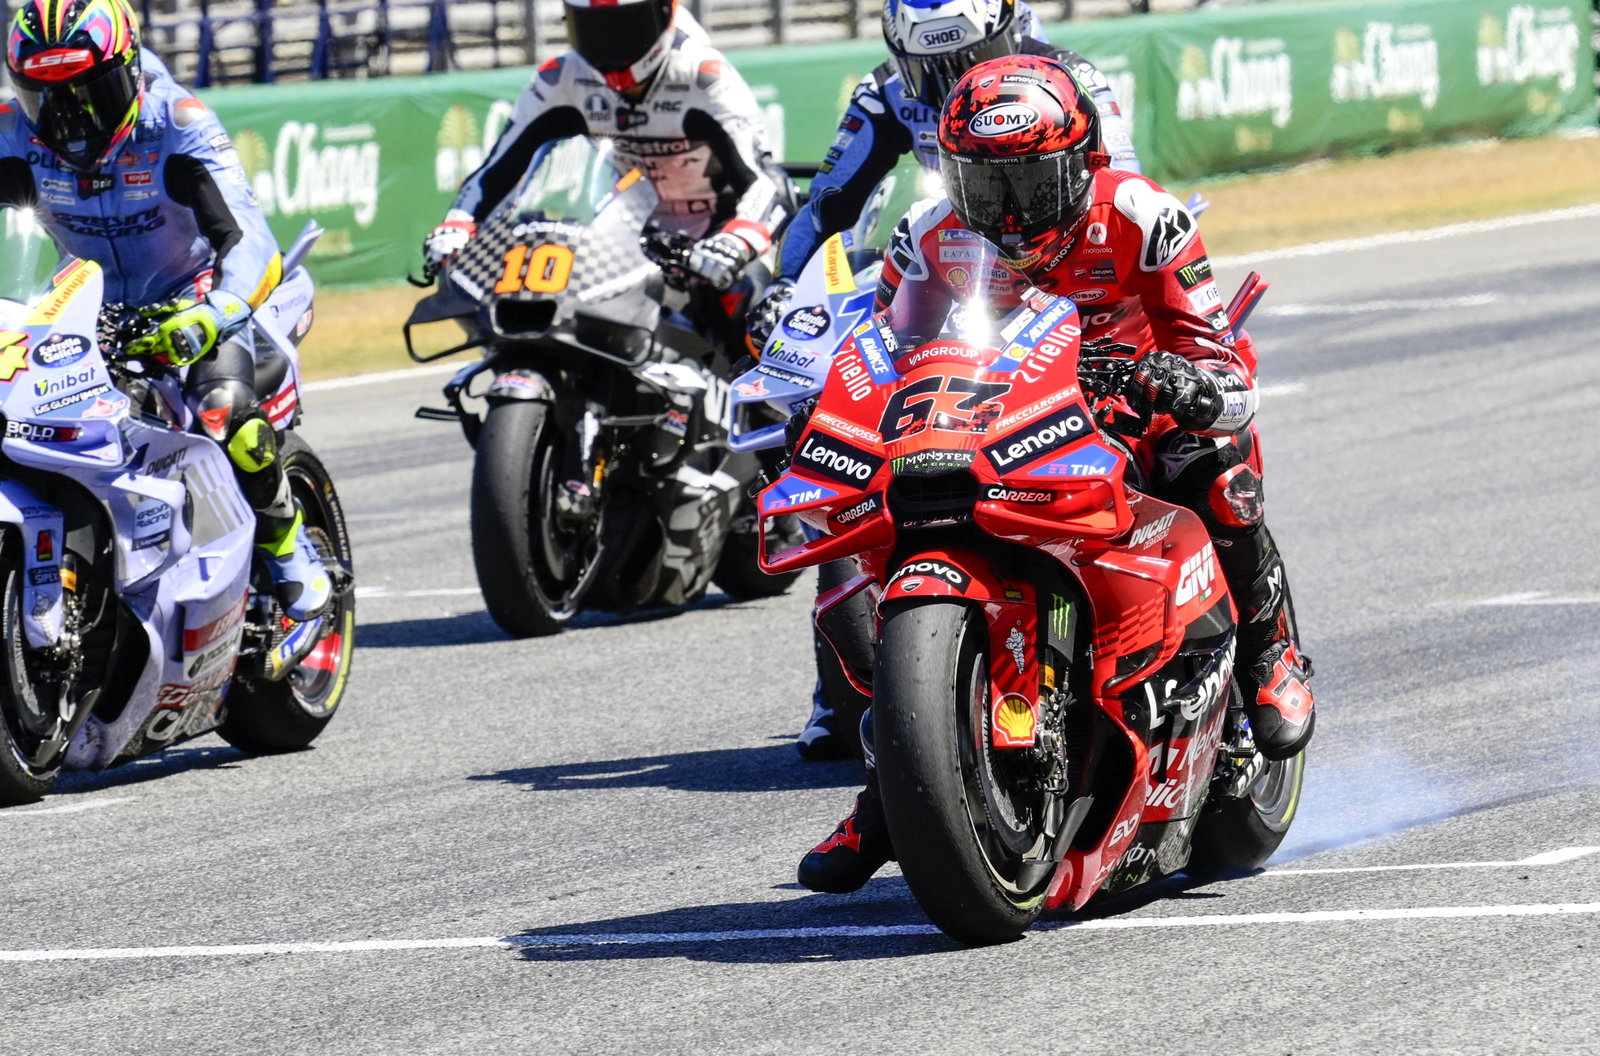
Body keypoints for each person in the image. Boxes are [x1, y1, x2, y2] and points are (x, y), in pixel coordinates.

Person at [798, 54, 1314, 894]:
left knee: (1214, 472)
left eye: (1028, 182)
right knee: (879, 527)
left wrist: (1178, 382)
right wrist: (824, 392)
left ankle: (1270, 656)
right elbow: (880, 342)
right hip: (990, 420)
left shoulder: (1144, 217)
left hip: (1132, 413)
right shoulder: (930, 234)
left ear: (1081, 160)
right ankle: (895, 784)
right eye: (982, 183)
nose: (1004, 209)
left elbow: (1225, 370)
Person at [751, 0, 1141, 762]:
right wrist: (784, 289)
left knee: (1139, 433)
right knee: (840, 441)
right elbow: (831, 200)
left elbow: (1117, 192)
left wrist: (1097, 317)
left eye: (960, 60)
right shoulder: (885, 93)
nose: (945, 83)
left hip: (1058, 281)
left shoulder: (1072, 78)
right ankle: (849, 687)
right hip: (949, 273)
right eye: (925, 68)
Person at [0, 0, 330, 621]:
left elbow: (250, 239)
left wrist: (216, 312)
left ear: (129, 72)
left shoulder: (177, 122)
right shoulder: (11, 132)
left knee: (221, 407)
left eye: (90, 93)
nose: (72, 119)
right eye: (48, 98)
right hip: (83, 304)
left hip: (195, 298)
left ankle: (287, 547)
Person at [423, 0, 793, 360]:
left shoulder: (704, 75)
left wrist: (737, 240)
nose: (612, 44)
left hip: (717, 233)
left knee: (754, 315)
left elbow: (764, 180)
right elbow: (498, 169)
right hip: (627, 239)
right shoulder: (560, 77)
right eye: (594, 29)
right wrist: (458, 222)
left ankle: (766, 411)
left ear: (665, 12)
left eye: (628, 26)